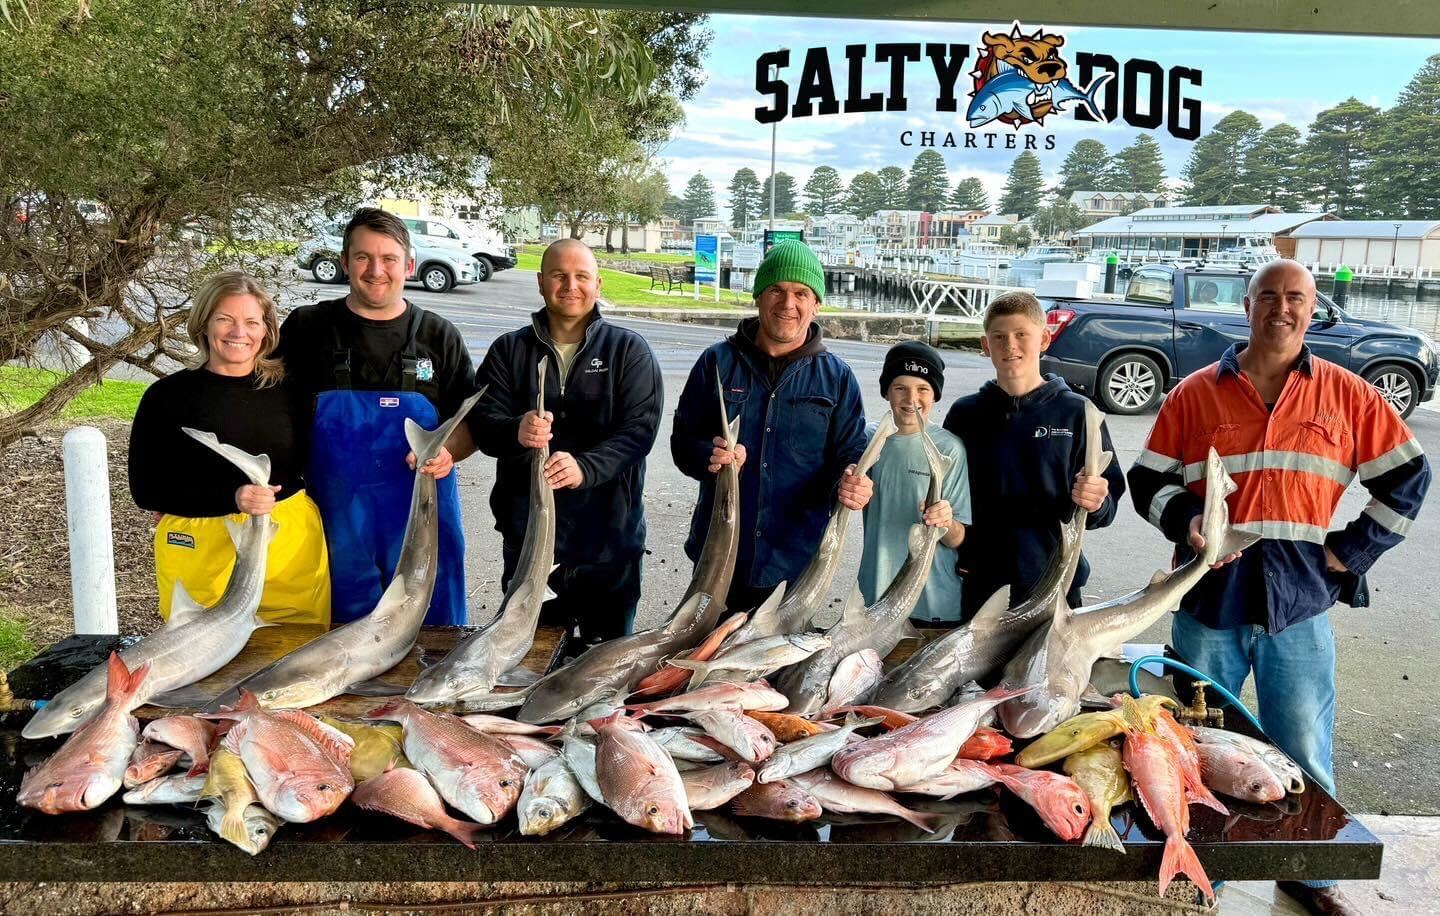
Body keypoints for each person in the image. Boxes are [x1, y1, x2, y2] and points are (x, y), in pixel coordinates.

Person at [1127, 260, 1429, 916]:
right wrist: (1185, 520)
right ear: (1247, 305)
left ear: (1312, 309)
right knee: (1192, 746)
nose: (1282, 309)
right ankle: (1195, 866)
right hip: (1209, 601)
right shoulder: (1194, 394)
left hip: (1301, 604)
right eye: (1269, 296)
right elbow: (1146, 481)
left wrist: (1352, 551)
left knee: (1303, 747)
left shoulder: (1349, 395)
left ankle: (1310, 879)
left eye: (1295, 298)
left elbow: (1408, 478)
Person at [275, 207, 476, 626]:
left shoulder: (439, 337)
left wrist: (448, 454)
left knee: (434, 639)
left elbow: (470, 423)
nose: (376, 270)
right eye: (363, 257)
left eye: (388, 259)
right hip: (337, 523)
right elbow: (263, 408)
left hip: (424, 517)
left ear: (409, 264)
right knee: (341, 644)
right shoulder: (307, 328)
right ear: (346, 262)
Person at [459, 239, 662, 645]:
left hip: (609, 542)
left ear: (598, 284)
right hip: (529, 539)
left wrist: (586, 468)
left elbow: (639, 432)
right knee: (527, 656)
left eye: (581, 276)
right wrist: (515, 429)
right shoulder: (509, 351)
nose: (571, 285)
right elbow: (481, 421)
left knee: (602, 667)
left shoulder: (629, 351)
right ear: (540, 282)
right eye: (559, 275)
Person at [671, 239, 871, 613]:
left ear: (816, 304)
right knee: (704, 664)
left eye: (800, 293)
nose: (788, 303)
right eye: (776, 290)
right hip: (718, 556)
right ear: (758, 296)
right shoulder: (715, 362)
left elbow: (851, 455)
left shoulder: (838, 378)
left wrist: (854, 480)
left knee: (774, 669)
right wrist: (708, 456)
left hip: (795, 564)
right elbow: (682, 445)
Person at [129, 271, 330, 625]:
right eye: (225, 320)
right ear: (203, 324)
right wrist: (231, 498)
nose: (240, 333)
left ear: (267, 330)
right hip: (201, 544)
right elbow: (146, 490)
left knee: (293, 659)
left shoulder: (293, 393)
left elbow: (319, 465)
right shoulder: (167, 397)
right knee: (201, 662)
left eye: (252, 322)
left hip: (287, 539)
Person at [943, 290, 1125, 620]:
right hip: (980, 586)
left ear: (1044, 338)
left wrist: (1097, 501)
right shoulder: (965, 414)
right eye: (999, 337)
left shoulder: (1080, 413)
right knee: (981, 675)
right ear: (986, 346)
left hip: (1056, 585)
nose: (1010, 346)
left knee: (1049, 673)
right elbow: (948, 494)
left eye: (1021, 335)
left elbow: (1107, 505)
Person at [857, 341, 970, 627]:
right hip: (876, 599)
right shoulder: (868, 441)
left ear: (935, 395)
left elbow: (957, 538)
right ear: (886, 392)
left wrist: (945, 522)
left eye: (923, 389)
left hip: (934, 605)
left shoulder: (950, 449)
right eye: (900, 388)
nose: (912, 398)